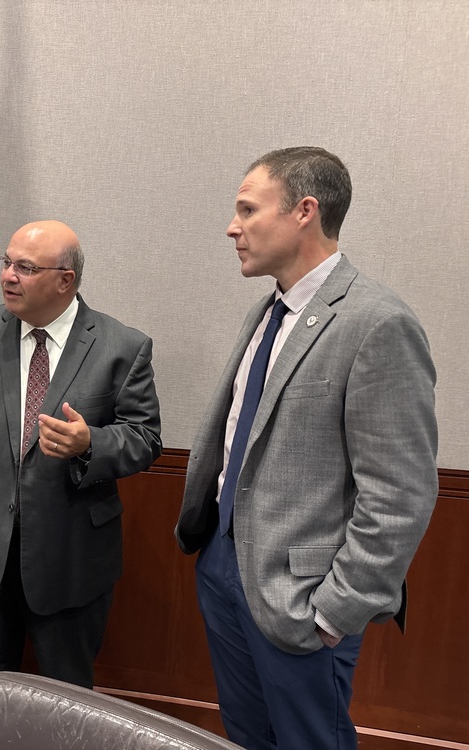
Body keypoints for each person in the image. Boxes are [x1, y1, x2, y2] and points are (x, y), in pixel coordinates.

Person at [176, 147, 438, 749]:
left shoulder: (378, 323)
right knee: (246, 735)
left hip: (301, 598)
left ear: (304, 211)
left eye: (247, 208)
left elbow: (399, 495)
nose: (232, 226)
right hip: (222, 567)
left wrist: (333, 612)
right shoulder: (267, 312)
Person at [0, 220, 162, 688]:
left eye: (25, 267)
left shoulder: (122, 347)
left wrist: (90, 443)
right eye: (6, 263)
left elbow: (145, 437)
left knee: (66, 699)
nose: (8, 276)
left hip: (70, 557)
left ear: (64, 280)